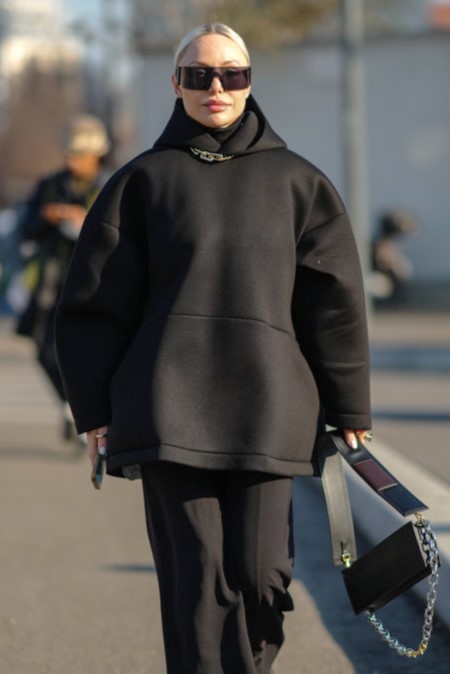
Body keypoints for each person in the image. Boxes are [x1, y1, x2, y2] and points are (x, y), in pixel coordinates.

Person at [55, 24, 371, 674]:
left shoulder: (297, 182)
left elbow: (333, 302)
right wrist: (92, 410)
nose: (216, 87)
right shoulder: (139, 182)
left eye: (231, 73)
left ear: (250, 82)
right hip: (167, 408)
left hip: (269, 407)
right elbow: (93, 305)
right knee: (195, 582)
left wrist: (350, 405)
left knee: (262, 577)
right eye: (199, 75)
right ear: (176, 86)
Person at [16, 115, 110, 437]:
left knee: (88, 352)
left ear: (97, 155)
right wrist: (48, 217)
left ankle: (86, 410)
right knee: (45, 349)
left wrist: (87, 223)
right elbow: (26, 229)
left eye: (80, 155)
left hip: (95, 286)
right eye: (69, 154)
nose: (73, 162)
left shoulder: (112, 185)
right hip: (52, 281)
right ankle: (70, 405)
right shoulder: (51, 185)